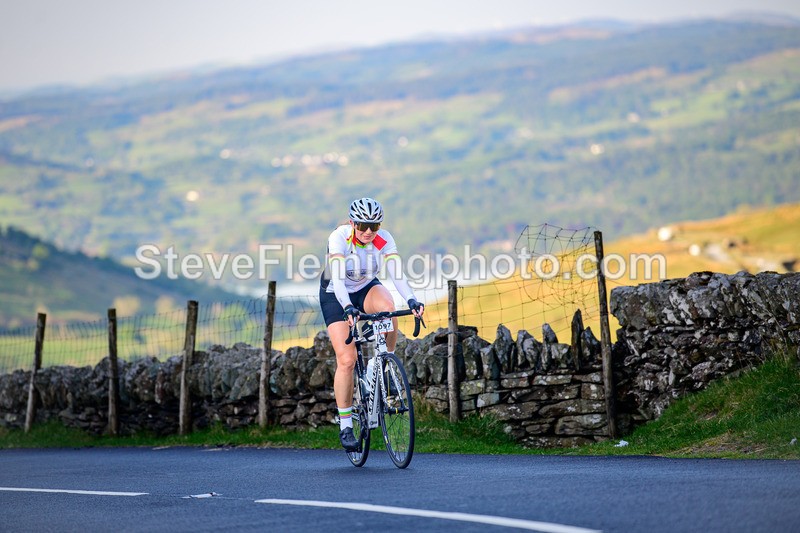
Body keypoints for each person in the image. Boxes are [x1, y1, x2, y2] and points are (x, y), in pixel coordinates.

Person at [319, 197, 424, 451]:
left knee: (389, 310)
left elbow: (396, 273)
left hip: (366, 288)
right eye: (364, 225)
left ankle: (382, 363)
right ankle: (345, 426)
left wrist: (411, 299)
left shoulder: (382, 239)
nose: (368, 232)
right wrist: (347, 308)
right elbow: (339, 280)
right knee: (347, 360)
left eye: (374, 226)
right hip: (336, 294)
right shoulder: (340, 238)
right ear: (354, 222)